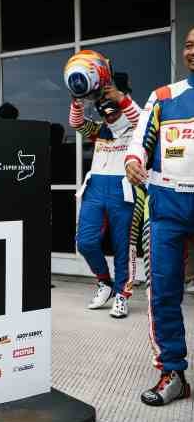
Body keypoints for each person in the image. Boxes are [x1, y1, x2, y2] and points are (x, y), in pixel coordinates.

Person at [125, 26, 194, 406]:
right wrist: (133, 160)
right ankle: (173, 374)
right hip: (167, 208)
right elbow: (139, 140)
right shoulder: (164, 96)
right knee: (163, 294)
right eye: (188, 45)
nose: (192, 51)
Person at [65, 50, 142, 318]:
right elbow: (76, 123)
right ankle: (105, 282)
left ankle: (122, 293)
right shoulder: (99, 129)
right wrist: (77, 100)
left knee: (123, 246)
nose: (108, 111)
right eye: (104, 106)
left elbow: (140, 119)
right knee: (85, 242)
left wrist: (121, 99)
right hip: (96, 187)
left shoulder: (137, 127)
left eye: (112, 106)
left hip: (124, 189)